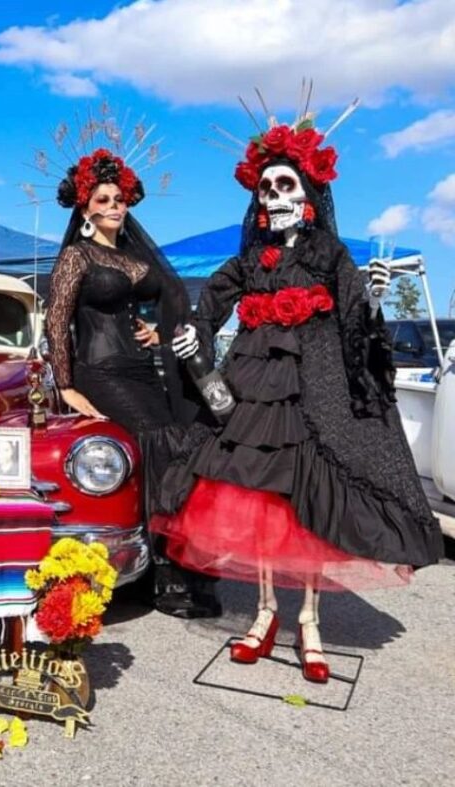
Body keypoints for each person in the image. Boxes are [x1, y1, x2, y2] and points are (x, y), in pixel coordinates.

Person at [154, 112, 444, 681]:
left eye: (284, 185)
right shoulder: (248, 260)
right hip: (253, 391)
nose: (273, 197)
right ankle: (265, 613)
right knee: (259, 502)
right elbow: (209, 307)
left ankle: (309, 621)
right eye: (265, 188)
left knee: (306, 504)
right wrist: (194, 334)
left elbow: (356, 318)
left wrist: (374, 299)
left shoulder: (330, 255)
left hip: (311, 393)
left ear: (308, 193)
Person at [45, 147, 220, 619]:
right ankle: (164, 573)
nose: (113, 207)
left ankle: (164, 562)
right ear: (85, 209)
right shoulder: (77, 256)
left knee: (174, 446)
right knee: (160, 444)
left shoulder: (132, 257)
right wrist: (66, 386)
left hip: (143, 371)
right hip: (99, 372)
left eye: (118, 199)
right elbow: (56, 321)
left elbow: (171, 297)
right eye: (102, 200)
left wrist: (160, 333)